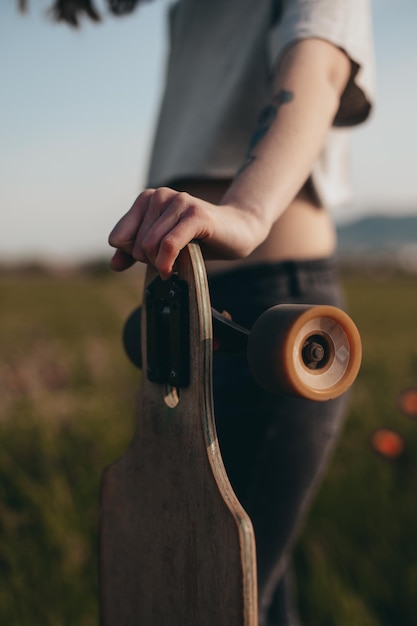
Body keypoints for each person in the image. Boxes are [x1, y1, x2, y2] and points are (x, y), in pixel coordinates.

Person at [40, 1, 375, 623]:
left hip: (273, 308)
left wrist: (247, 211)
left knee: (206, 601)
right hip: (186, 308)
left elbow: (320, 62)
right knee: (240, 597)